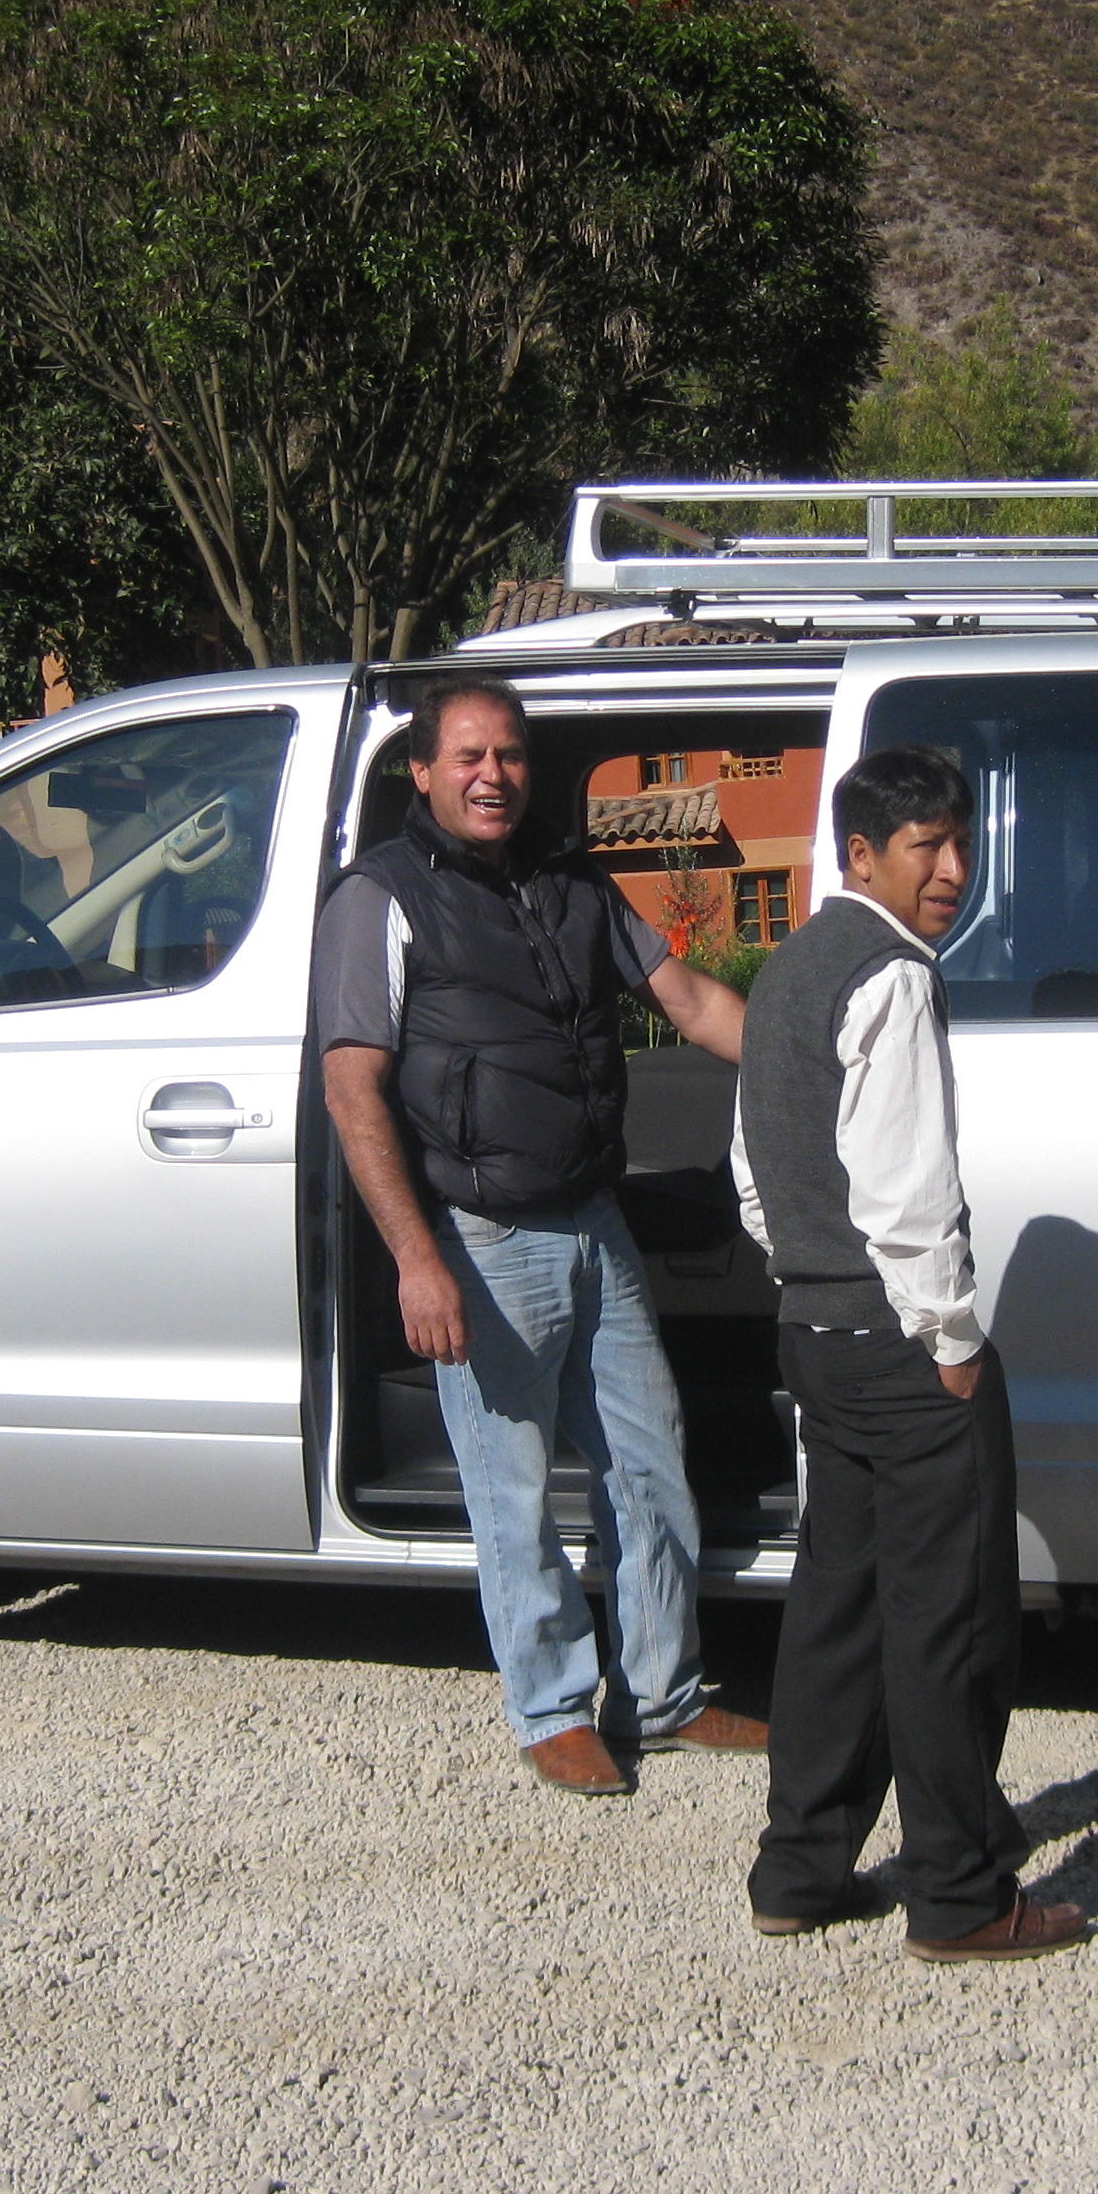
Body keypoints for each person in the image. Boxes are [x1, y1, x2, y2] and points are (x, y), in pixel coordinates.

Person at [315, 672, 767, 1793]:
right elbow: (351, 1091)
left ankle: (664, 1692)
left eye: (508, 755)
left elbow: (694, 1004)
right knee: (511, 1486)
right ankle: (552, 1706)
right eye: (466, 756)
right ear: (421, 772)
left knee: (649, 1464)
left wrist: (820, 1060)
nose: (491, 775)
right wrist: (419, 1259)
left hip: (593, 1222)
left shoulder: (574, 880)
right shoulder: (381, 898)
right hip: (482, 1236)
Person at [733, 745, 1090, 1963]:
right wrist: (947, 1337)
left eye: (956, 842)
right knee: (949, 1622)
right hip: (898, 1345)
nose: (949, 869)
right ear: (861, 855)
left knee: (838, 1606)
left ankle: (799, 1868)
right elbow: (905, 1193)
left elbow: (756, 1174)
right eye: (922, 847)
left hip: (816, 1336)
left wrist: (804, 1271)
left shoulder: (787, 966)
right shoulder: (887, 976)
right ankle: (960, 1895)